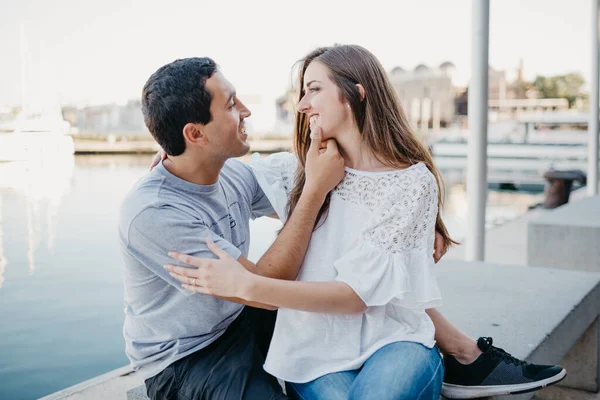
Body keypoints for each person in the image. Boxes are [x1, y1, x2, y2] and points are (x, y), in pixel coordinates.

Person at [161, 46, 566, 399]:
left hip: (396, 341)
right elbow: (206, 170)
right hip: (313, 354)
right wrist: (166, 164)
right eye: (303, 93)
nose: (302, 105)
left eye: (314, 89)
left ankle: (456, 363)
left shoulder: (413, 181)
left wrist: (249, 285)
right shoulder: (298, 169)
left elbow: (357, 295)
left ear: (358, 91)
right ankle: (465, 358)